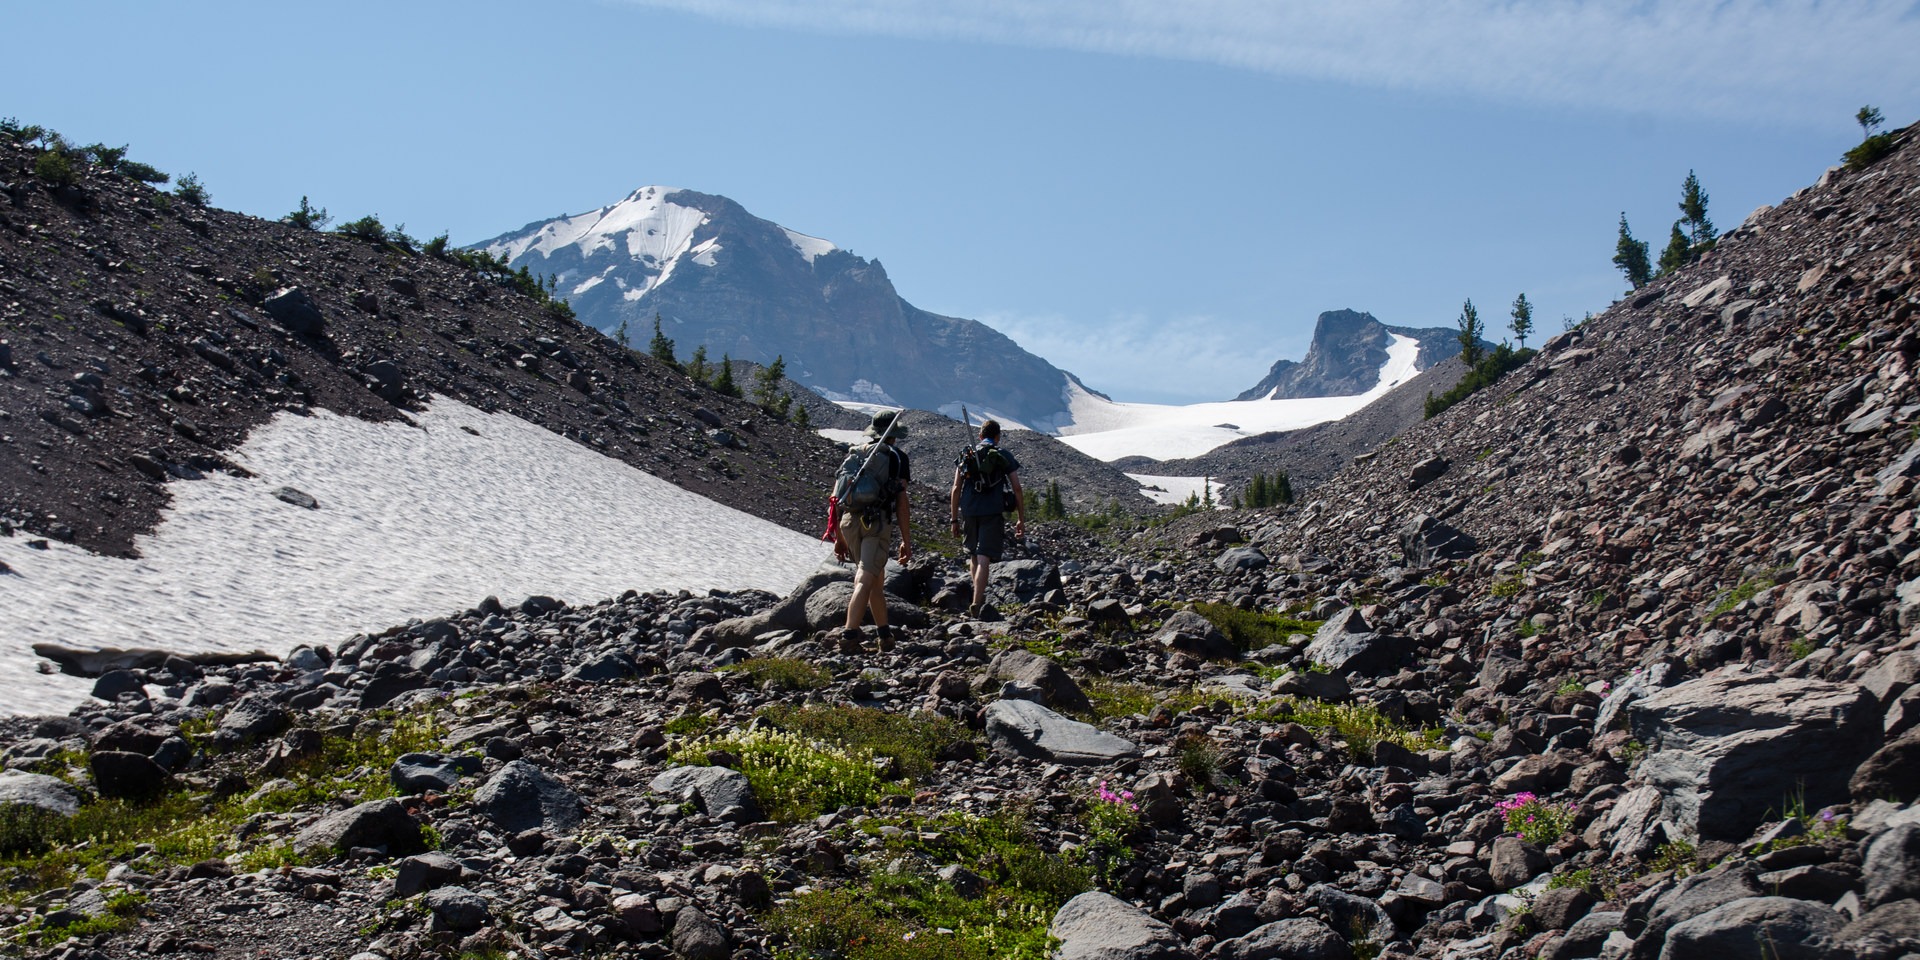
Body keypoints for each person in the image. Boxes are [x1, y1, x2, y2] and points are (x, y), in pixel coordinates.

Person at [837, 410, 912, 650]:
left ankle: (885, 636)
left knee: (876, 580)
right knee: (865, 578)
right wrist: (906, 540)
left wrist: (838, 536)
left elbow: (835, 497)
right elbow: (901, 502)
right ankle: (849, 635)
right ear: (894, 434)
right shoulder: (897, 458)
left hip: (849, 522)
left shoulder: (855, 455)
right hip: (876, 524)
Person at [949, 419, 1025, 620]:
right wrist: (1021, 519)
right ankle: (977, 601)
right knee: (984, 557)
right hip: (992, 510)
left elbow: (956, 488)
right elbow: (1017, 488)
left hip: (969, 509)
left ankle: (977, 597)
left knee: (973, 554)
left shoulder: (967, 454)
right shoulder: (1002, 455)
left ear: (981, 436)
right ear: (997, 437)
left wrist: (954, 519)